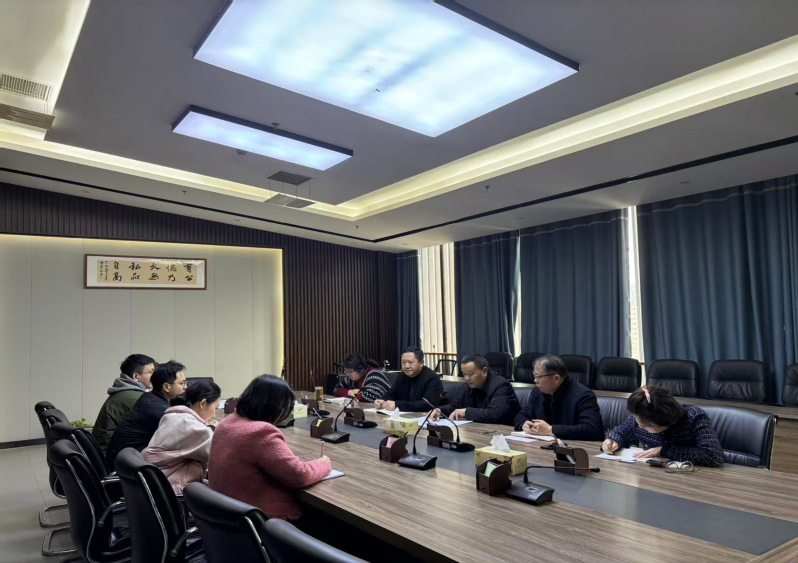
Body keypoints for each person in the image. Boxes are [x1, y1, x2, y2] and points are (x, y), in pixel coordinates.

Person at [208, 375, 331, 521]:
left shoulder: (226, 423)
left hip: (223, 517)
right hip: (256, 521)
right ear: (275, 407)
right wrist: (323, 464)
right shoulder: (261, 432)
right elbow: (299, 475)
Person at [602, 385, 724, 467]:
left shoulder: (694, 417)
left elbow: (713, 455)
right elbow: (621, 432)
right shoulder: (640, 415)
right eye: (636, 420)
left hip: (692, 479)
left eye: (646, 426)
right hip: (654, 477)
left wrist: (663, 450)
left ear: (666, 422)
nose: (640, 426)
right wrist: (612, 441)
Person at [105, 360, 188, 470]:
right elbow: (187, 431)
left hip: (127, 461)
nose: (185, 387)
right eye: (181, 383)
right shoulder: (156, 408)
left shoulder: (150, 398)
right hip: (126, 468)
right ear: (166, 387)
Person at [142, 380, 221, 493]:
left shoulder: (174, 416)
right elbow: (219, 452)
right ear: (203, 404)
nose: (215, 414)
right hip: (173, 489)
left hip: (159, 483)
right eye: (216, 408)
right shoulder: (189, 425)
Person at [513, 354, 604, 441]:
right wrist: (524, 424)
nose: (535, 380)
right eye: (534, 375)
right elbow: (521, 415)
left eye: (538, 377)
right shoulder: (538, 391)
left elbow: (591, 429)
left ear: (556, 378)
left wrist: (551, 430)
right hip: (541, 445)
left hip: (575, 447)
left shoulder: (584, 395)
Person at [430, 354, 520, 425]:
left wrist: (466, 412)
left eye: (470, 374)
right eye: (464, 374)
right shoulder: (467, 386)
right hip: (478, 430)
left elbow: (495, 414)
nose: (467, 378)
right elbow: (455, 406)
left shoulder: (501, 385)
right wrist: (441, 410)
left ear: (484, 371)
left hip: (503, 433)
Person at [92, 354, 156, 452]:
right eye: (151, 372)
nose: (155, 376)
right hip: (114, 454)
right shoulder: (134, 397)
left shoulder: (126, 393)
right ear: (136, 376)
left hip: (111, 451)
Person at [374, 347, 443, 412]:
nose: (406, 366)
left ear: (421, 363)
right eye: (403, 362)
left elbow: (428, 405)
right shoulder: (401, 376)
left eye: (410, 362)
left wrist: (398, 405)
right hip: (404, 416)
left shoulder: (432, 378)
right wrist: (382, 401)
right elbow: (391, 394)